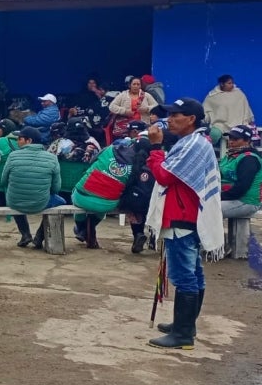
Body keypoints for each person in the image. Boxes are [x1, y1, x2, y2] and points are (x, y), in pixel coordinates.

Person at [146, 98, 225, 350]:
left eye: (175, 115)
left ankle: (182, 334)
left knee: (183, 276)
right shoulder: (194, 142)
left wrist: (156, 149)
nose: (169, 119)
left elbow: (164, 175)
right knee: (194, 274)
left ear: (191, 119)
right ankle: (186, 325)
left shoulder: (193, 144)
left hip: (181, 216)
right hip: (187, 214)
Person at [1, 127, 65, 249]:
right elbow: (56, 188)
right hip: (40, 202)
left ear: (29, 140)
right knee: (60, 202)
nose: (18, 141)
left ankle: (25, 234)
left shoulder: (13, 156)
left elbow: (3, 181)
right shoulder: (52, 158)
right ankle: (39, 237)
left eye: (20, 139)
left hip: (14, 201)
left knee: (13, 195)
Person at [70, 138, 138, 248]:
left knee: (77, 197)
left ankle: (81, 228)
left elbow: (92, 161)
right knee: (100, 207)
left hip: (82, 196)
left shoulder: (108, 150)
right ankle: (87, 229)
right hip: (107, 203)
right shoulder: (136, 162)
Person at [218, 125, 261, 220]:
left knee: (207, 211)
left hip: (246, 201)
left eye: (236, 139)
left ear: (247, 141)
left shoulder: (249, 159)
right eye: (230, 138)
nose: (231, 141)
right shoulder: (230, 155)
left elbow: (241, 188)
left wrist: (218, 197)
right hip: (232, 197)